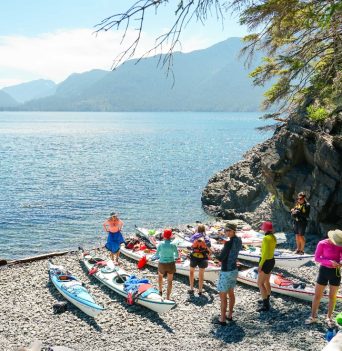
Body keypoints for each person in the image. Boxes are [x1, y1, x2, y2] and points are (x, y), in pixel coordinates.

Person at [305, 229, 342, 326]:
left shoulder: (340, 244)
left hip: (336, 272)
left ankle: (329, 318)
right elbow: (317, 258)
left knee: (332, 296)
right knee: (317, 295)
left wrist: (341, 262)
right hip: (324, 271)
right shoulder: (322, 243)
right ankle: (313, 317)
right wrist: (330, 262)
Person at [216, 223, 242, 325]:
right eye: (225, 230)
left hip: (226, 270)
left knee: (223, 296)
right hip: (234, 270)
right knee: (231, 293)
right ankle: (229, 315)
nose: (225, 232)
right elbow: (232, 251)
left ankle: (222, 319)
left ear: (232, 231)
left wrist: (213, 251)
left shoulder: (228, 243)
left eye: (227, 230)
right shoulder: (239, 240)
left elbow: (220, 258)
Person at [257, 221, 277, 312]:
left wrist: (260, 265)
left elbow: (264, 254)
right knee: (267, 282)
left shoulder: (265, 238)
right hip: (271, 261)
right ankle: (267, 299)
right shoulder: (273, 237)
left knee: (260, 283)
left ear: (264, 229)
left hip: (265, 261)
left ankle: (265, 305)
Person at [188, 224, 212, 295]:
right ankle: (200, 291)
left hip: (194, 257)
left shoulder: (195, 236)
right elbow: (209, 246)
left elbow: (190, 243)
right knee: (201, 274)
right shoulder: (206, 237)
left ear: (197, 229)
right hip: (203, 258)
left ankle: (191, 289)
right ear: (204, 230)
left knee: (191, 272)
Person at [156, 229, 179, 300]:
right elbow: (177, 255)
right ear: (171, 236)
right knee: (170, 280)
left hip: (162, 263)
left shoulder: (160, 244)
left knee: (160, 276)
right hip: (171, 263)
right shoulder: (173, 245)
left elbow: (157, 254)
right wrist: (174, 258)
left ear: (163, 235)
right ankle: (168, 297)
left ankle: (160, 291)